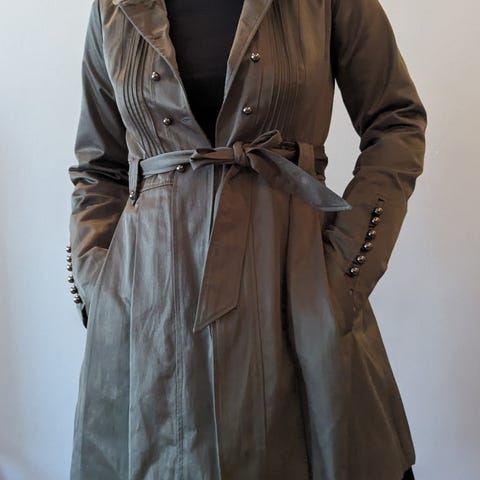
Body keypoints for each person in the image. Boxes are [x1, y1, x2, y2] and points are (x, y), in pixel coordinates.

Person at [67, 0, 426, 479]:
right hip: (147, 316)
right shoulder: (114, 7)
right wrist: (99, 285)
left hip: (295, 290)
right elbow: (99, 169)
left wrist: (346, 271)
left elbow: (395, 122)